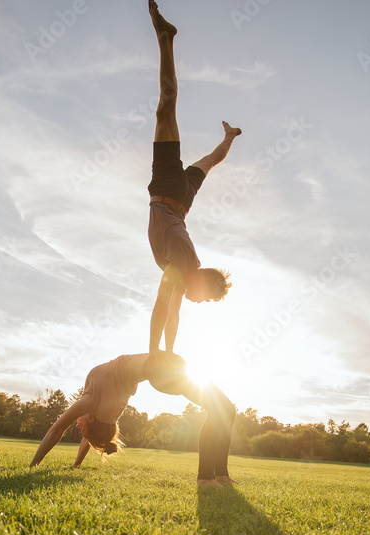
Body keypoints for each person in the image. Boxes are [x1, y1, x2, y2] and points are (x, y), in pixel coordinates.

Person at [147, 0, 242, 355]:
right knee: (165, 107)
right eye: (206, 298)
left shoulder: (183, 274)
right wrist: (156, 353)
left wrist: (169, 353)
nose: (200, 303)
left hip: (180, 200)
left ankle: (230, 136)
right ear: (202, 280)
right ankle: (165, 38)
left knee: (212, 161)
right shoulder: (185, 263)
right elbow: (163, 303)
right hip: (170, 190)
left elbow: (173, 311)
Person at [29, 352, 236, 487]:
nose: (77, 424)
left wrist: (72, 465)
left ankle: (220, 475)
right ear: (92, 421)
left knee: (226, 410)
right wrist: (33, 466)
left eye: (80, 428)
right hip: (161, 370)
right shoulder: (92, 405)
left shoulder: (102, 414)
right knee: (221, 408)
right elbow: (58, 430)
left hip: (162, 368)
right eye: (80, 428)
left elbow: (76, 434)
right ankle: (207, 478)